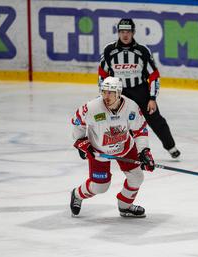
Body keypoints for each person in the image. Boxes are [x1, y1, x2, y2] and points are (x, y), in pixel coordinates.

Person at [70, 76, 155, 218]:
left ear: (119, 93)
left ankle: (125, 206)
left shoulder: (131, 107)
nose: (106, 96)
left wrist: (144, 151)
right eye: (104, 91)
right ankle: (77, 194)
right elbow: (77, 122)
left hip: (125, 148)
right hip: (100, 151)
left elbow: (140, 129)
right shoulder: (92, 107)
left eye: (110, 92)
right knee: (100, 187)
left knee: (137, 177)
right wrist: (81, 142)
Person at [98, 18, 181, 159]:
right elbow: (102, 75)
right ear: (118, 32)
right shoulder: (109, 50)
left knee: (155, 120)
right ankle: (122, 151)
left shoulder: (142, 51)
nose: (125, 35)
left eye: (128, 32)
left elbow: (154, 76)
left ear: (133, 32)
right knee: (118, 122)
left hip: (141, 92)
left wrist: (152, 98)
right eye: (122, 31)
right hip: (119, 94)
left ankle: (171, 147)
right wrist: (105, 94)